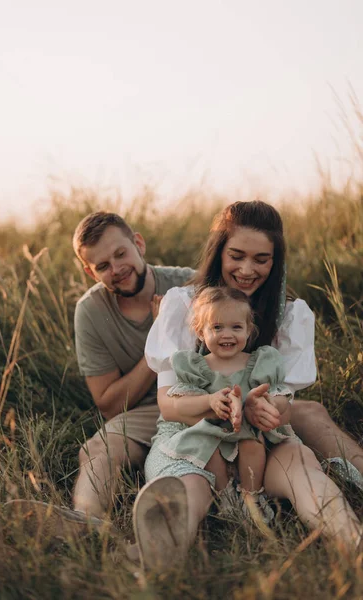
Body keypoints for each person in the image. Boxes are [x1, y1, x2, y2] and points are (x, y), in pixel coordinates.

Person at [133, 200, 362, 570]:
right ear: (219, 251)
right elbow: (168, 404)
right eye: (236, 255)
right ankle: (157, 559)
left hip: (261, 438)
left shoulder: (288, 313)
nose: (247, 269)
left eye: (261, 259)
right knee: (187, 487)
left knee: (304, 468)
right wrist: (211, 403)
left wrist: (267, 408)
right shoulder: (184, 305)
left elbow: (286, 401)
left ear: (276, 261)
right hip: (191, 437)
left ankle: (353, 543)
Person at [4, 211, 193, 536]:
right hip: (144, 413)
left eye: (120, 254)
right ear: (89, 270)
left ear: (138, 243)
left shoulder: (190, 284)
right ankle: (88, 522)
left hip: (198, 399)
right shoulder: (90, 311)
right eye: (102, 266)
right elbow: (108, 404)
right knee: (99, 448)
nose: (116, 269)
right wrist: (160, 338)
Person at [162, 286, 295, 519]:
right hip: (213, 430)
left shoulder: (259, 362)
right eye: (217, 327)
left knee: (251, 443)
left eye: (236, 327)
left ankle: (251, 496)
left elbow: (277, 395)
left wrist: (266, 404)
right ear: (201, 332)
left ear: (248, 331)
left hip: (247, 428)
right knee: (207, 447)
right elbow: (182, 401)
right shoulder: (197, 366)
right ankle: (225, 497)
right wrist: (210, 400)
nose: (227, 335)